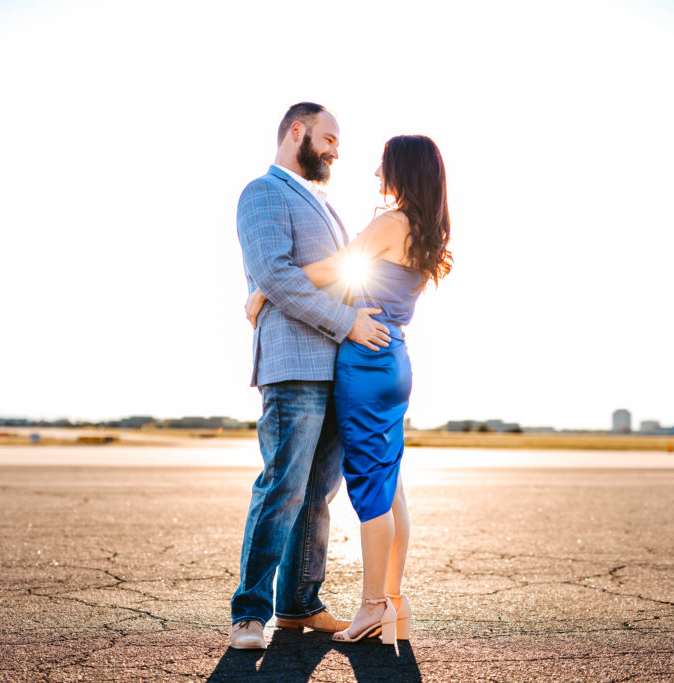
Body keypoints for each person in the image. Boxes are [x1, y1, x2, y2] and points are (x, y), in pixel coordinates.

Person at [245, 134, 452, 649]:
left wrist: (265, 288)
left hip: (366, 360)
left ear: (402, 169)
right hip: (396, 357)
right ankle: (394, 602)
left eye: (383, 167)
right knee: (390, 482)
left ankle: (372, 607)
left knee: (369, 489)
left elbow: (334, 271)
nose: (376, 175)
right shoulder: (425, 228)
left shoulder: (389, 222)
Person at [230, 102, 392, 650]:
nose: (335, 150)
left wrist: (262, 293)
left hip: (337, 372)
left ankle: (298, 604)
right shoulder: (262, 192)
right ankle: (249, 613)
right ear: (295, 131)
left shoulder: (323, 203)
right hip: (294, 367)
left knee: (317, 494)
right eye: (328, 138)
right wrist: (346, 322)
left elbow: (330, 274)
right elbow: (275, 272)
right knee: (282, 488)